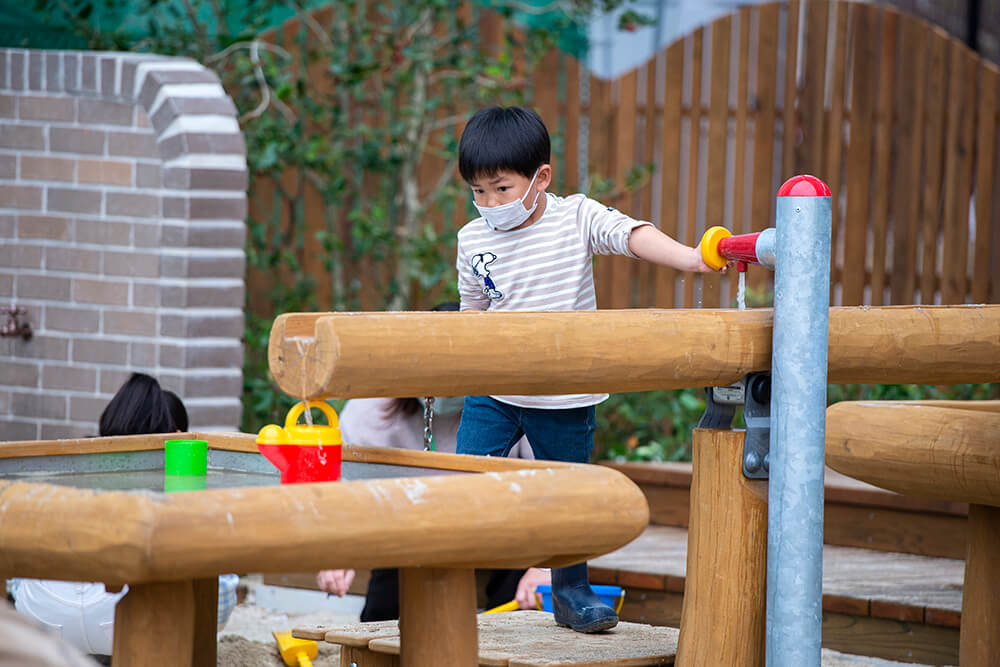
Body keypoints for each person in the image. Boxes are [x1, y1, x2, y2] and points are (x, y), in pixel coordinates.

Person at [453, 106, 722, 633]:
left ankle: (570, 591)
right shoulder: (472, 239)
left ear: (541, 178)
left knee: (569, 494)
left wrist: (693, 258)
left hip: (565, 395)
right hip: (495, 388)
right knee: (463, 481)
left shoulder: (574, 218)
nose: (490, 204)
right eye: (478, 192)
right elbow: (472, 310)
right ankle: (446, 583)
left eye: (502, 189)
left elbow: (631, 235)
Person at [317, 304, 551, 618]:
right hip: (411, 530)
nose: (444, 391)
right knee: (385, 603)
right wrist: (337, 548)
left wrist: (546, 567)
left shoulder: (514, 406)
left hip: (499, 526)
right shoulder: (370, 412)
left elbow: (553, 487)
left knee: (518, 594)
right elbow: (345, 489)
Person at [8, 373, 238, 662]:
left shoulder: (71, 461)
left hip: (43, 615)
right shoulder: (177, 483)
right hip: (122, 619)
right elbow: (222, 595)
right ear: (179, 437)